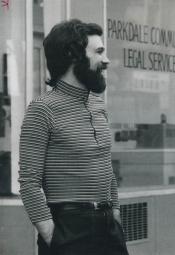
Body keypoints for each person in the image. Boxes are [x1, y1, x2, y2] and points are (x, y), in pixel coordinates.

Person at [18, 19, 129, 255]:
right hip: (69, 228)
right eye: (99, 52)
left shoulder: (99, 106)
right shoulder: (42, 109)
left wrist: (115, 215)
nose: (106, 60)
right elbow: (29, 182)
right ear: (73, 55)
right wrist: (52, 236)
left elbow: (107, 169)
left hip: (108, 227)